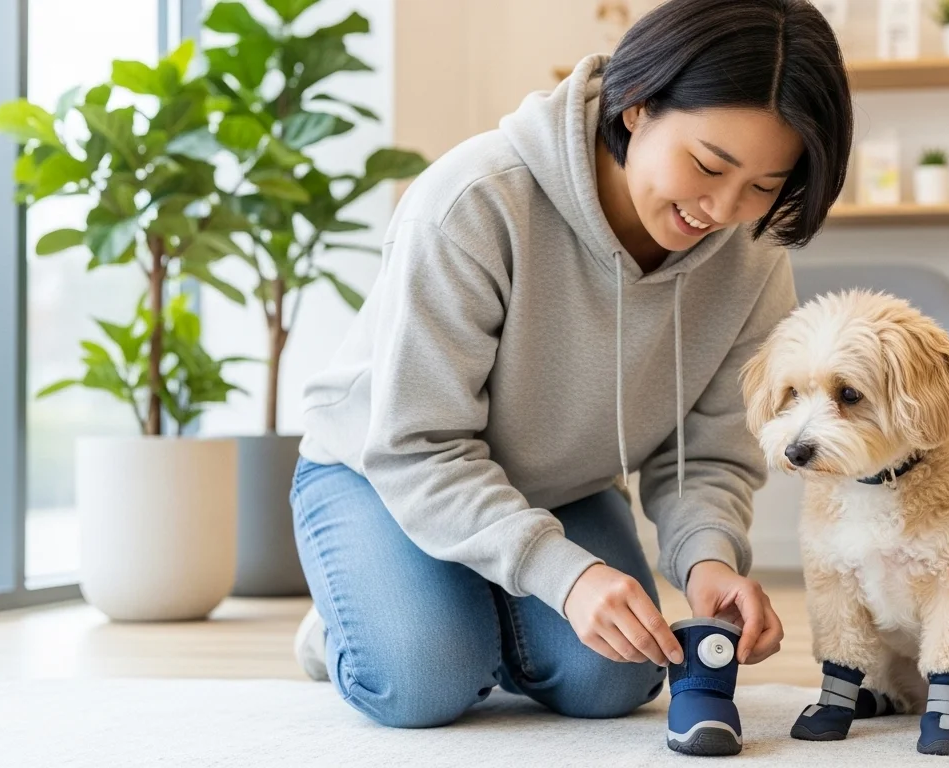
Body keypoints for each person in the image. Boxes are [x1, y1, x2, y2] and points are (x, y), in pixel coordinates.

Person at [289, 0, 853, 729]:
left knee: (614, 682)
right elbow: (416, 445)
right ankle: (356, 611)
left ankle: (476, 601)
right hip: (382, 473)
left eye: (763, 186)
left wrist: (710, 561)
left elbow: (709, 451)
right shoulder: (473, 204)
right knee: (422, 680)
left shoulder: (750, 259)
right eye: (708, 165)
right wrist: (566, 576)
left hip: (561, 487)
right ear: (638, 108)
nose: (721, 208)